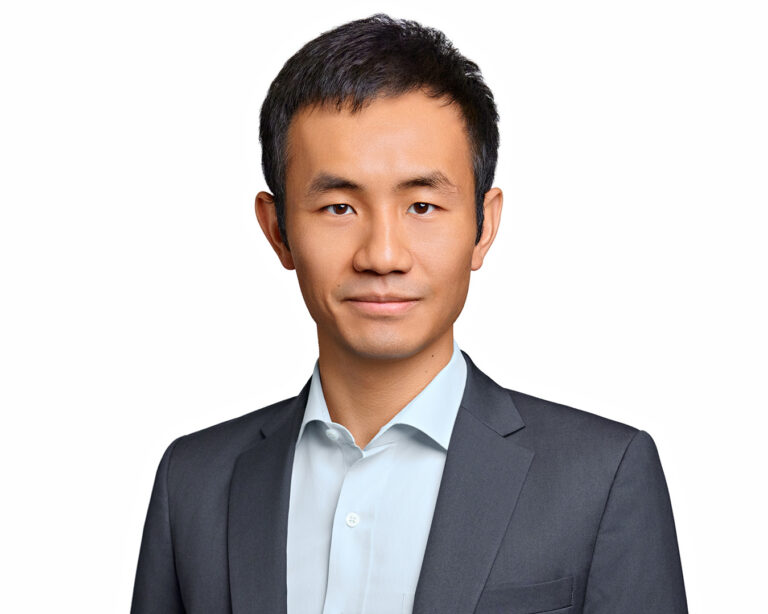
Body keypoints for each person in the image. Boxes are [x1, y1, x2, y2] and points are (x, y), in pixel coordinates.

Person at [130, 13, 687, 614]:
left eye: (422, 205)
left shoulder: (602, 477)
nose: (383, 256)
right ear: (278, 231)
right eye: (340, 207)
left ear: (483, 225)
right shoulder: (193, 482)